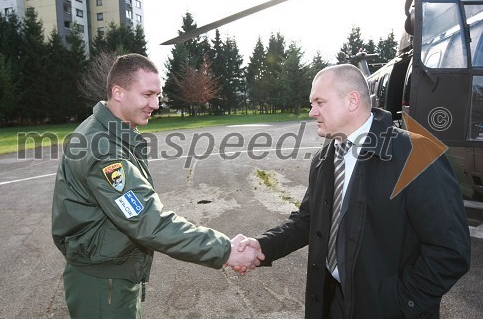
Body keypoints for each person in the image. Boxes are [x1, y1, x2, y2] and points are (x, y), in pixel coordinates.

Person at [236, 64, 471, 318]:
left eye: (319, 102)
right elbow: (308, 221)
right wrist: (262, 245)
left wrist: (401, 303)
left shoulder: (417, 155)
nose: (312, 112)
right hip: (333, 302)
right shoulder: (324, 159)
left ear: (352, 100)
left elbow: (450, 250)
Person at [51, 53, 264, 318]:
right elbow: (147, 220)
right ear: (118, 92)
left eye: (158, 95)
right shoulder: (104, 149)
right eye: (148, 94)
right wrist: (224, 250)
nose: (156, 103)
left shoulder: (108, 132)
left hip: (108, 277)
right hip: (103, 286)